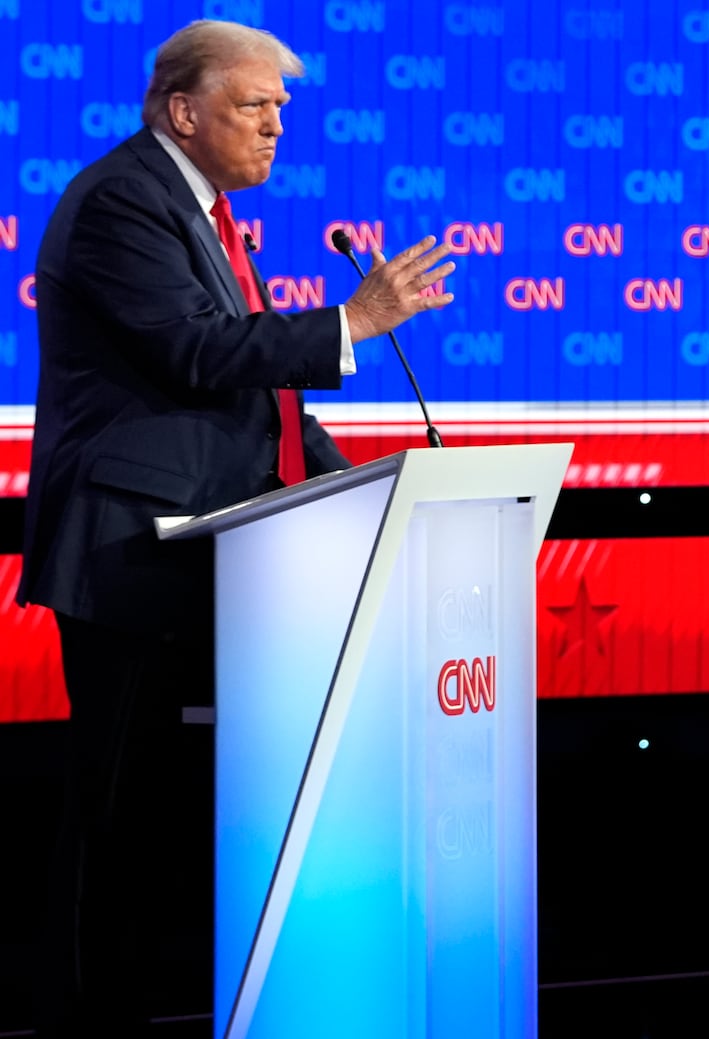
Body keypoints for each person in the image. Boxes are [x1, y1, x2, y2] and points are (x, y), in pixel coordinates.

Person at [16, 20, 455, 1035]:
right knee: (112, 816)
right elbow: (196, 350)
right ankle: (79, 1020)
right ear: (183, 110)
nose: (276, 125)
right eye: (255, 105)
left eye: (282, 108)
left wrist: (372, 484)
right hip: (132, 555)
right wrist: (351, 322)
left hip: (199, 553)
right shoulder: (124, 199)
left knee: (168, 823)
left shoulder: (201, 212)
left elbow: (257, 394)